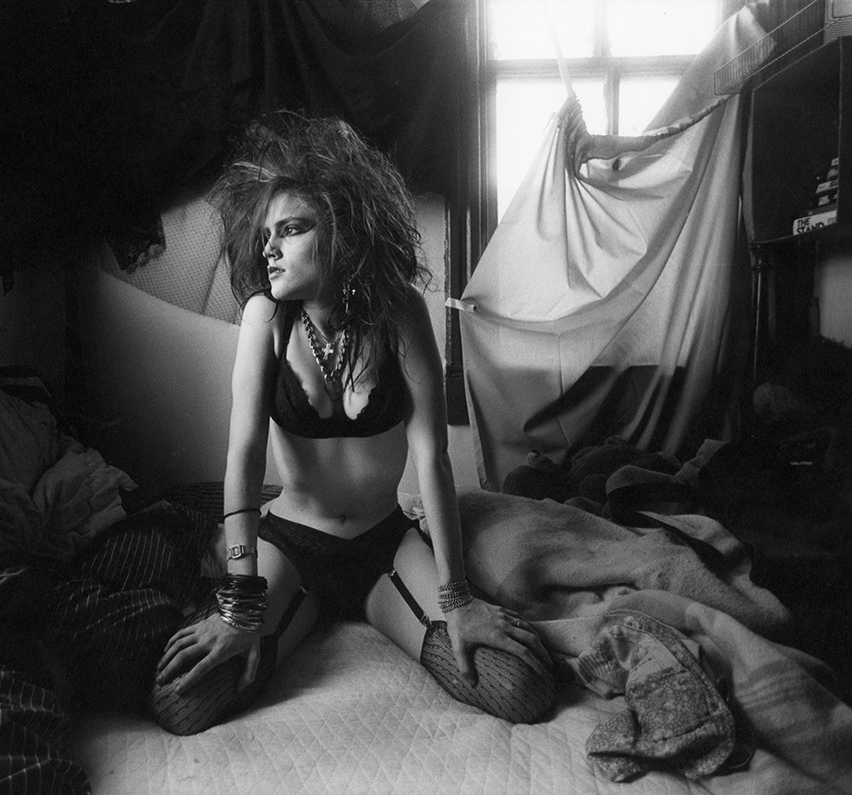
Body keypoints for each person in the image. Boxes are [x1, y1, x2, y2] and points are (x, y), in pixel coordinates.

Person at [151, 111, 554, 735]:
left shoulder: (401, 314)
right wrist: (239, 604)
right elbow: (244, 457)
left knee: (521, 687)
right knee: (182, 701)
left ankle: (365, 607)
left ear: (343, 229)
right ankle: (301, 608)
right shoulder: (265, 319)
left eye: (291, 229)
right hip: (290, 545)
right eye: (266, 235)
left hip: (383, 544)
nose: (270, 249)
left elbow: (433, 459)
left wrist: (459, 600)